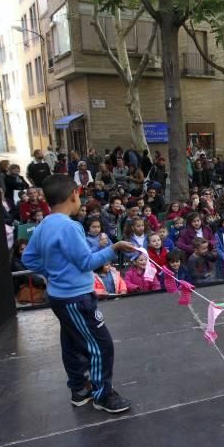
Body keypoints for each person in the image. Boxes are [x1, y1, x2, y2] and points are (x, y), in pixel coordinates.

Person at [21, 174, 136, 413]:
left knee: (72, 341)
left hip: (59, 296)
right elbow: (86, 262)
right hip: (76, 299)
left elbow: (28, 258)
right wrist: (114, 248)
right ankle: (102, 395)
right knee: (101, 344)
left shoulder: (44, 225)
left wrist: (53, 272)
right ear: (73, 195)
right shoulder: (70, 227)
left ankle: (79, 389)